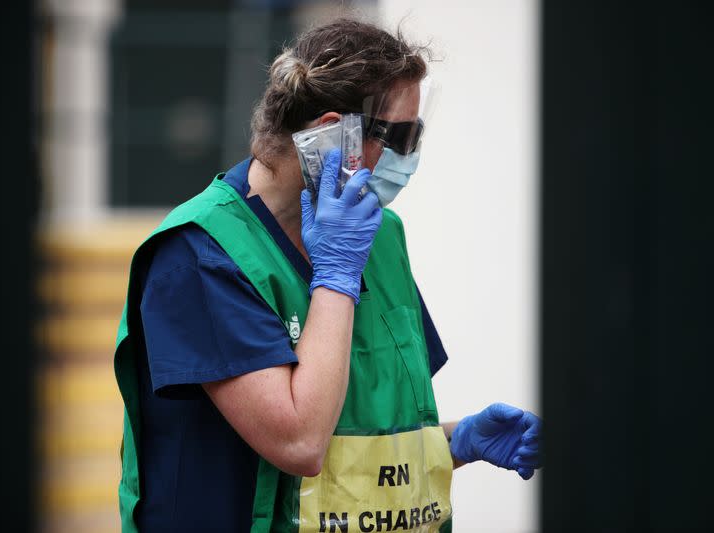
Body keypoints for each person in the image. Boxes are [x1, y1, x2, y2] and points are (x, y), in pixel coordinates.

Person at [114, 18, 542, 533]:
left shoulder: (380, 237)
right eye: (401, 136)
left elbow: (353, 446)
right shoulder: (200, 255)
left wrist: (454, 442)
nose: (409, 158)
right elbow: (300, 443)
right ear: (331, 134)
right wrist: (336, 274)